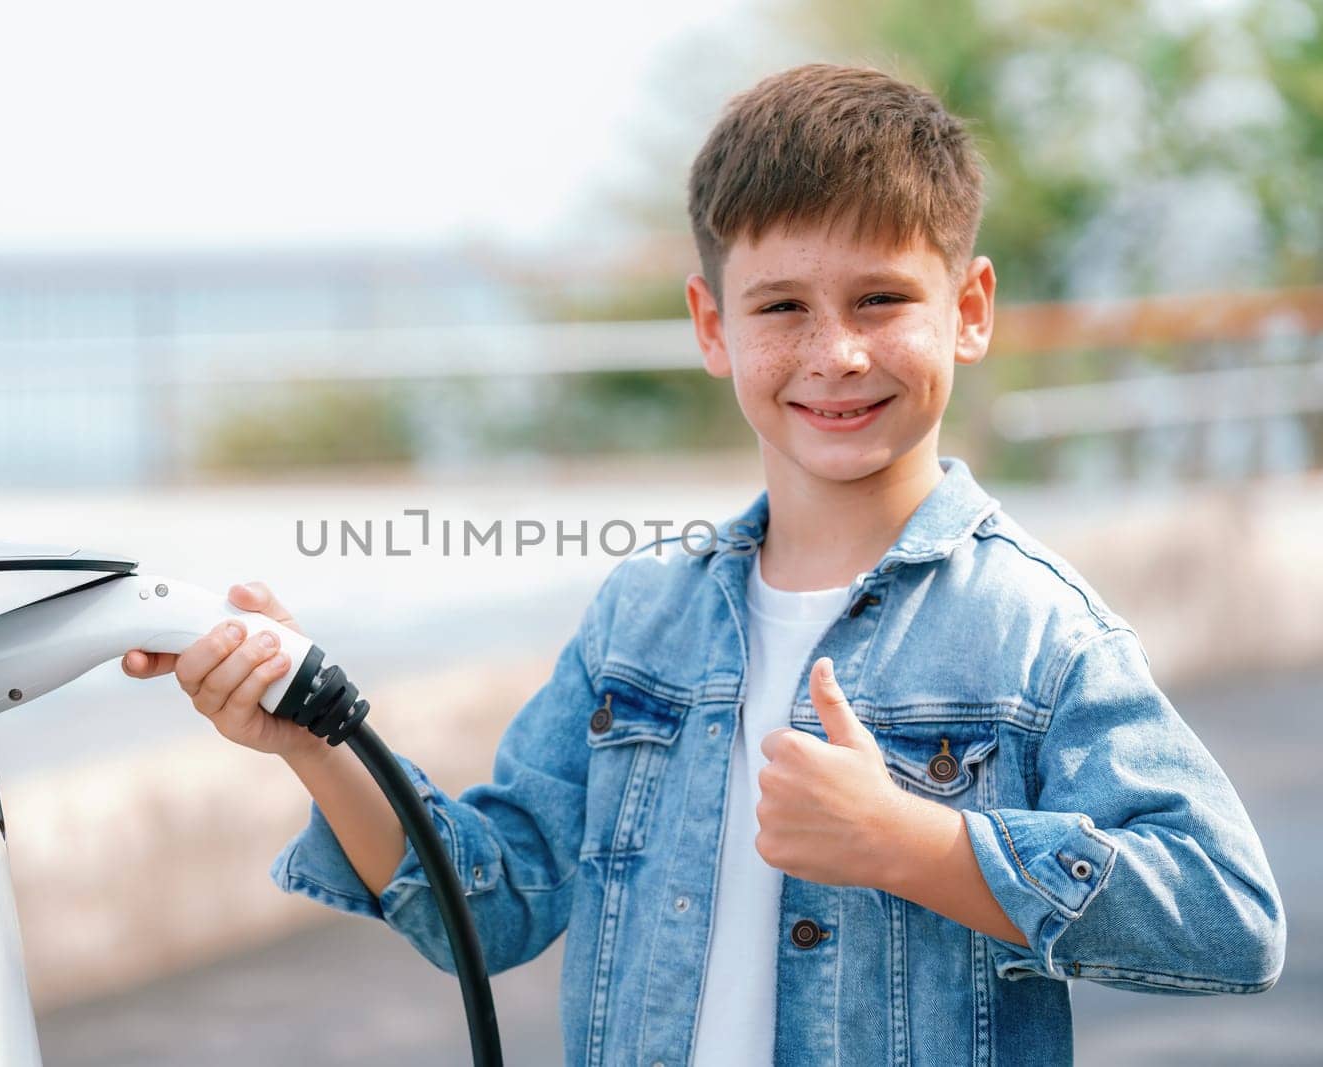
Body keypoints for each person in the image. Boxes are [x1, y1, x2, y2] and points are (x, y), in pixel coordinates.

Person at [122, 64, 1285, 1065]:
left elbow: (1232, 917)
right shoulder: (643, 615)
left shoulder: (1036, 629)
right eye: (780, 305)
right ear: (711, 324)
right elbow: (490, 902)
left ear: (969, 308)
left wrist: (916, 844)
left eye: (882, 298)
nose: (834, 352)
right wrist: (318, 738)